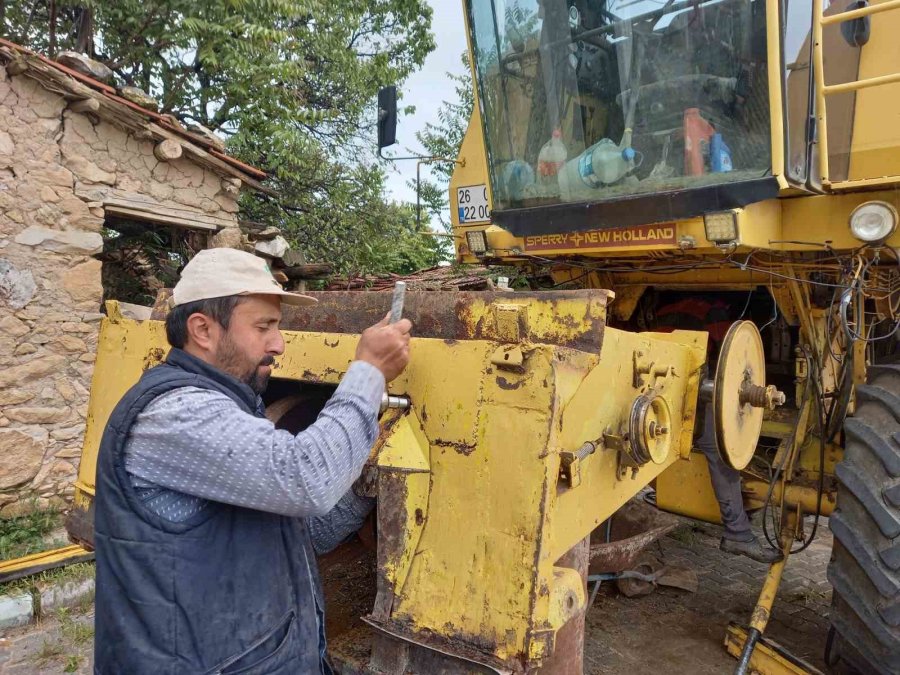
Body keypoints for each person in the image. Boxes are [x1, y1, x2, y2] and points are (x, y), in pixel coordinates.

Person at [93, 247, 412, 674]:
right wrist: (369, 372)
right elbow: (305, 479)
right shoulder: (174, 413)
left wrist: (361, 488)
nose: (278, 344)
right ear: (203, 330)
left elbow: (296, 536)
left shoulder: (229, 406)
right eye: (263, 327)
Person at [655, 296, 782, 564]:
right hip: (690, 387)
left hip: (658, 383)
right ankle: (737, 534)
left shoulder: (666, 306)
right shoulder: (715, 311)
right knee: (722, 454)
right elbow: (732, 356)